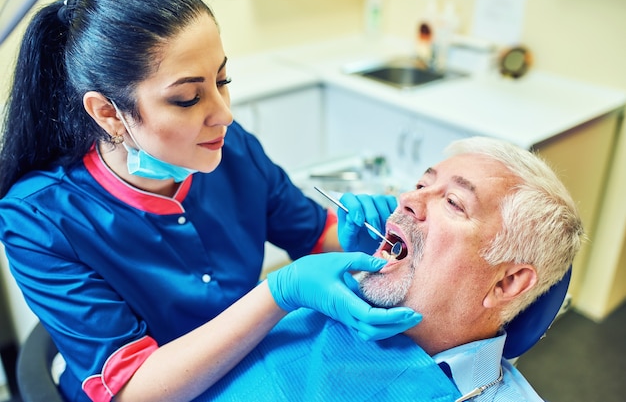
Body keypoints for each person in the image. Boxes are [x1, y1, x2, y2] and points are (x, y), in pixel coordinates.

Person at [0, 0, 421, 401]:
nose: (224, 114)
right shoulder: (38, 218)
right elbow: (134, 390)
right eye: (187, 99)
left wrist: (359, 236)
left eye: (223, 80)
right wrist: (278, 293)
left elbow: (311, 234)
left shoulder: (231, 149)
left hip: (249, 370)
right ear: (109, 113)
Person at [188, 136, 584, 401]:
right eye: (421, 183)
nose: (409, 199)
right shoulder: (322, 303)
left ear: (508, 281)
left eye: (454, 203)